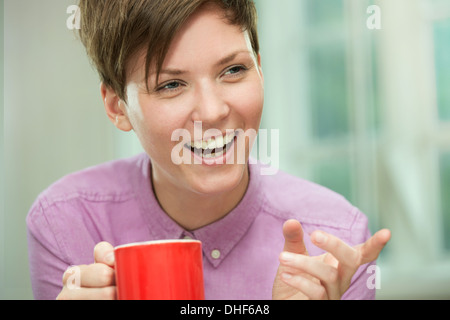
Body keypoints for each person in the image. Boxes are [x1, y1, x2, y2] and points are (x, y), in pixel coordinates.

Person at [26, 0, 391, 300]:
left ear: (259, 69)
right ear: (117, 107)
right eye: (171, 84)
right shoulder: (65, 224)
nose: (213, 111)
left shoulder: (335, 240)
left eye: (233, 70)